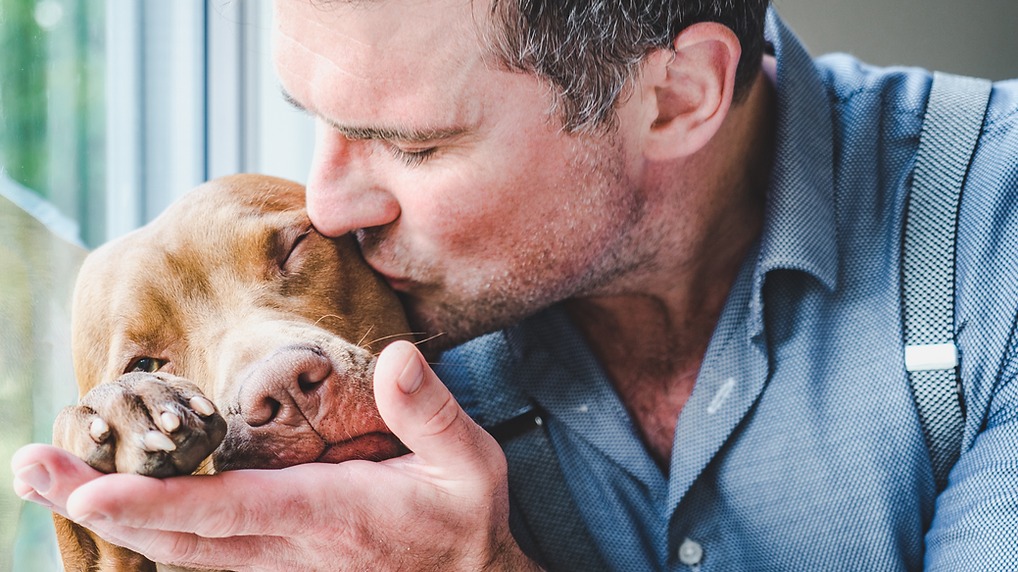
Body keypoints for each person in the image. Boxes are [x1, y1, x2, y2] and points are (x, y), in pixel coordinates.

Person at [12, 0, 1018, 570]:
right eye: (312, 119)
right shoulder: (374, 315)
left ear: (675, 97)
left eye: (408, 141)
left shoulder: (988, 244)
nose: (326, 202)